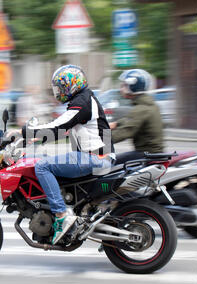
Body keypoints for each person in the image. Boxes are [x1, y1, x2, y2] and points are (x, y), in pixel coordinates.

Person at [21, 65, 114, 245]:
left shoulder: (83, 102)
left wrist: (25, 132)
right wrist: (36, 139)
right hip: (97, 156)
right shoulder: (86, 99)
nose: (59, 92)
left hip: (96, 158)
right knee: (49, 161)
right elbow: (59, 131)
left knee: (42, 166)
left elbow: (58, 126)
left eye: (61, 87)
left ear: (72, 85)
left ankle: (61, 215)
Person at [110, 69, 165, 154]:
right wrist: (116, 124)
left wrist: (98, 140)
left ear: (132, 87)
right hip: (153, 153)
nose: (121, 88)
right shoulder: (149, 105)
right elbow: (131, 120)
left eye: (124, 85)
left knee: (112, 164)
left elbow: (125, 131)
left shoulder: (141, 109)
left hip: (147, 155)